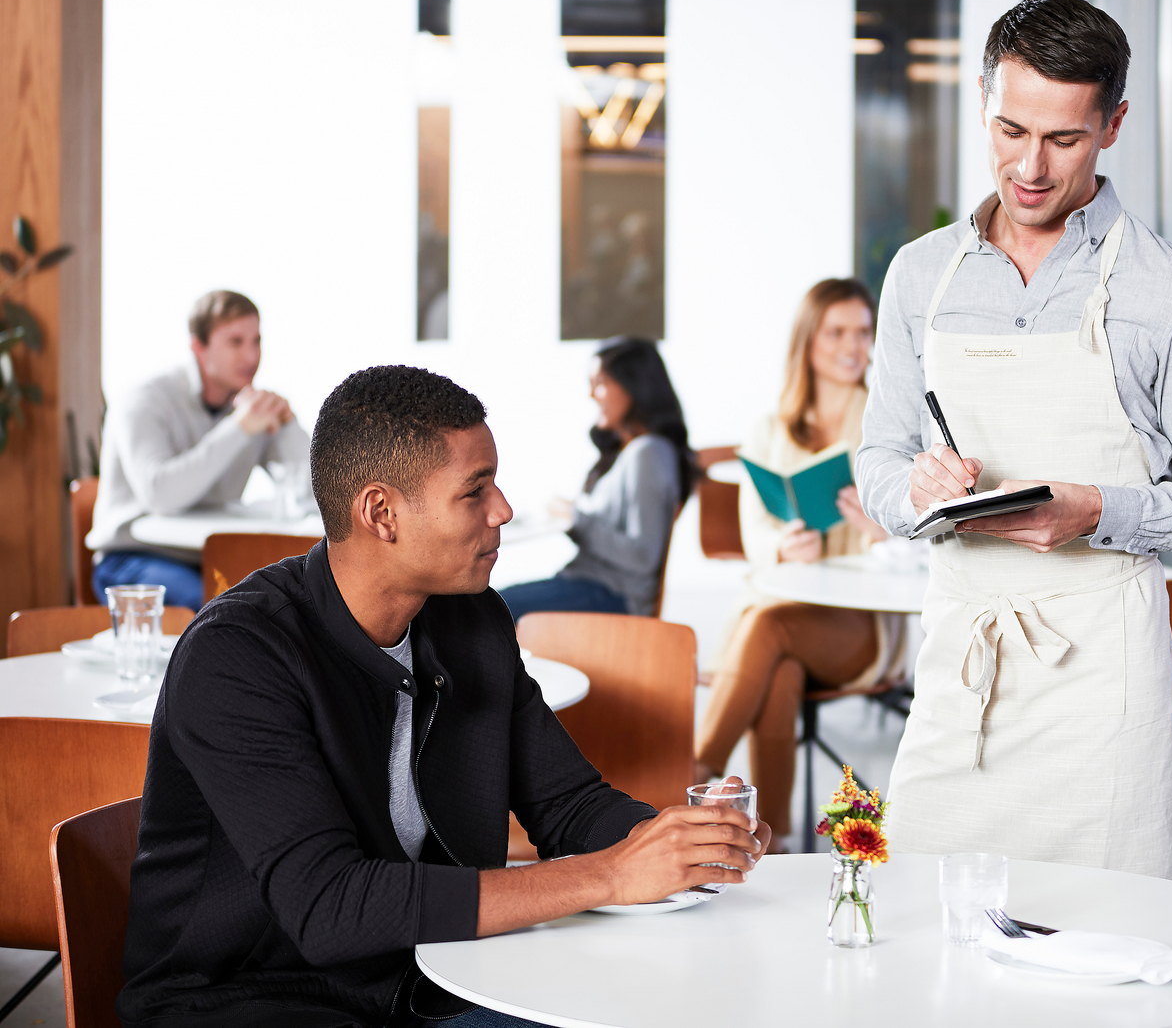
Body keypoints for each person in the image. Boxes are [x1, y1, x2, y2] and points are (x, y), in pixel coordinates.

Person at [118, 365, 769, 1028]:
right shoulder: (238, 654)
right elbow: (329, 906)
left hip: (428, 976)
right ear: (381, 512)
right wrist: (609, 876)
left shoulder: (472, 621)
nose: (503, 509)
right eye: (474, 490)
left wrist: (682, 842)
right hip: (254, 1001)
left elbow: (567, 802)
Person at [855, 0, 1172, 876]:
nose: (1029, 166)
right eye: (1009, 130)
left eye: (1063, 140)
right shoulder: (920, 276)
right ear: (985, 106)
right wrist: (915, 492)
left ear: (1112, 124)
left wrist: (1096, 511)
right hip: (963, 659)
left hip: (1101, 679)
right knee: (927, 927)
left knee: (1102, 932)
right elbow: (876, 455)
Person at [693, 279, 907, 842]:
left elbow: (921, 541)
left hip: (858, 628)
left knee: (767, 626)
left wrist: (877, 529)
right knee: (779, 673)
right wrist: (785, 546)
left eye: (863, 331)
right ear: (808, 342)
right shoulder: (768, 430)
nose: (852, 345)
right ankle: (774, 840)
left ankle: (692, 774)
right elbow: (754, 533)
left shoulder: (890, 424)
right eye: (837, 331)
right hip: (789, 613)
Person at [86, 290, 309, 610]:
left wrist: (287, 425)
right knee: (219, 609)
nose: (251, 356)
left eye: (256, 341)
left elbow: (315, 490)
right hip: (135, 556)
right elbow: (160, 495)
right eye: (235, 342)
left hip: (210, 557)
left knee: (287, 603)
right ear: (199, 347)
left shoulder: (251, 407)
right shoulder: (144, 400)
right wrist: (239, 428)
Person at [500, 337, 695, 619]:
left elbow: (642, 558)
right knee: (485, 604)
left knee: (484, 610)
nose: (592, 394)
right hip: (593, 587)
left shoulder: (648, 452)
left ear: (634, 386)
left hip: (612, 595)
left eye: (601, 382)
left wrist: (577, 518)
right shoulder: (628, 453)